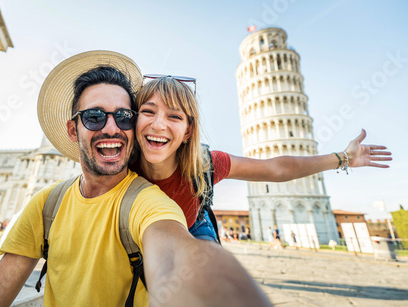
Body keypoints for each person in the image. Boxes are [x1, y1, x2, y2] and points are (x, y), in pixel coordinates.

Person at [0, 51, 273, 307]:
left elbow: (177, 259)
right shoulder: (47, 204)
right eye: (95, 117)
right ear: (74, 130)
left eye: (124, 116)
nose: (111, 128)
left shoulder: (148, 202)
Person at [132, 76, 392, 243]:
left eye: (174, 117)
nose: (158, 125)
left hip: (193, 228)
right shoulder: (122, 167)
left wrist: (344, 157)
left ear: (189, 131)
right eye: (148, 111)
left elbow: (277, 169)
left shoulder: (206, 165)